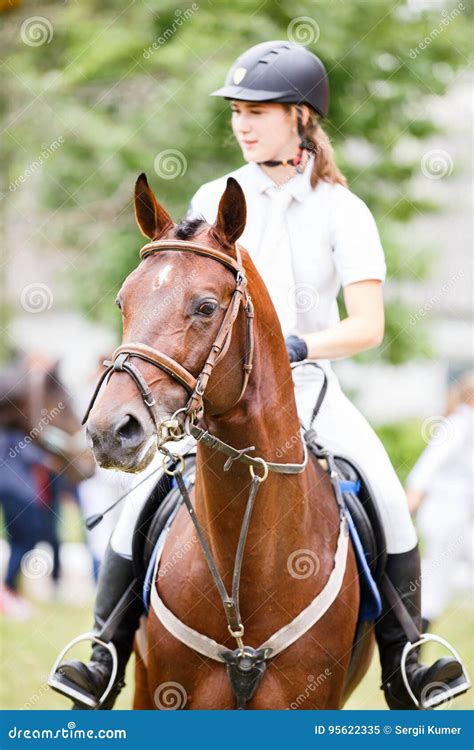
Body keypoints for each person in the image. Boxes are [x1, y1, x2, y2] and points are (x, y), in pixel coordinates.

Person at [51, 41, 468, 710]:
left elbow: (368, 325)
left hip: (308, 392)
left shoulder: (343, 211)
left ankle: (407, 661)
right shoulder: (216, 195)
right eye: (238, 112)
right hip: (213, 397)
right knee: (140, 507)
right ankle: (103, 650)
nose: (244, 125)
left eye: (260, 113)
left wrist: (299, 347)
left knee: (388, 499)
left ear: (301, 118)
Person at [406, 371, 474, 630]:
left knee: (435, 583)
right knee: (434, 584)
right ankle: (413, 652)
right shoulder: (458, 424)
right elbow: (426, 469)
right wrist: (406, 510)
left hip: (461, 519)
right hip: (446, 516)